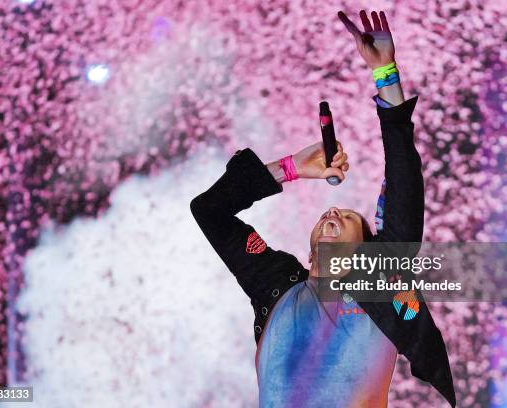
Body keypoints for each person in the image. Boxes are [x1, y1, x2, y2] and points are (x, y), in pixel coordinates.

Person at [191, 8, 455, 408]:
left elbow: (404, 178)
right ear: (312, 248)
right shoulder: (275, 286)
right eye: (328, 216)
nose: (332, 214)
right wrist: (291, 168)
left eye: (348, 218)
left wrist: (386, 73)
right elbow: (209, 210)